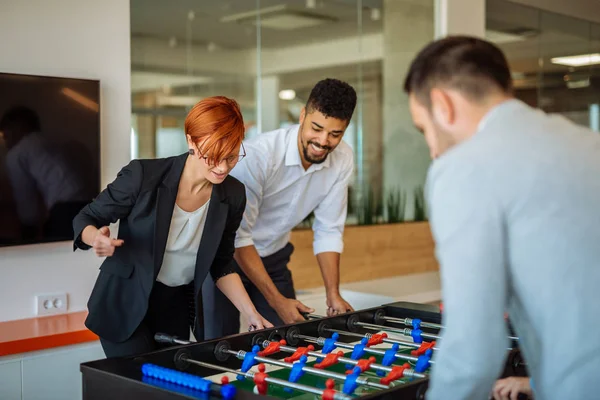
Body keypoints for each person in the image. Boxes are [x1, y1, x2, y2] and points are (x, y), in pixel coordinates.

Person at [403, 36, 600, 400]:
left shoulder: (463, 168)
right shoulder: (589, 143)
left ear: (442, 105)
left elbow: (474, 347)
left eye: (424, 129)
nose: (433, 148)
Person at [72, 96, 272, 358]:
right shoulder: (143, 176)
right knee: (140, 386)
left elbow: (222, 263)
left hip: (175, 305)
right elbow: (86, 218)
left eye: (232, 156)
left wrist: (251, 313)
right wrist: (95, 237)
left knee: (167, 384)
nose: (223, 167)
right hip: (123, 302)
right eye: (213, 156)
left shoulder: (233, 194)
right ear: (191, 140)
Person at [201, 78, 357, 338]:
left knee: (290, 340)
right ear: (302, 115)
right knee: (218, 345)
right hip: (225, 260)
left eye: (335, 134)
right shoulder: (258, 157)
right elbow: (240, 237)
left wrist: (333, 295)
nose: (322, 141)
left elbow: (329, 229)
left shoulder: (343, 159)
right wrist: (276, 301)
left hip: (273, 256)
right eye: (316, 128)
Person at [0, 106, 90, 241]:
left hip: (65, 211)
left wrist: (26, 237)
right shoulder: (50, 140)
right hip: (90, 205)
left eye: (5, 133)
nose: (4, 139)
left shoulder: (18, 153)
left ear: (18, 128)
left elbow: (26, 204)